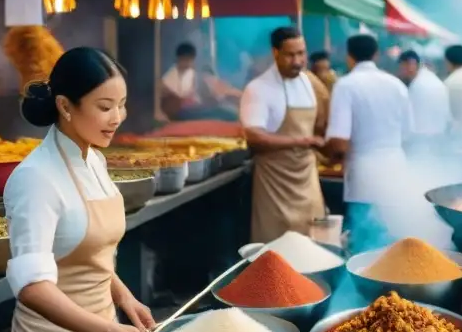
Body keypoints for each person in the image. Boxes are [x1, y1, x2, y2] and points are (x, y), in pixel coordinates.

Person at [0, 48, 169, 332]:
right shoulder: (35, 179)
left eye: (122, 105)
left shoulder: (95, 159)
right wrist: (110, 331)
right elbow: (32, 286)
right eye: (105, 107)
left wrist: (125, 299)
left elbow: (88, 253)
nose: (118, 118)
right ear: (65, 106)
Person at [326, 35, 413, 250]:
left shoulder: (346, 85)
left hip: (364, 178)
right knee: (391, 244)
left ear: (349, 57)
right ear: (376, 55)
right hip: (395, 172)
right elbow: (408, 133)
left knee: (363, 248)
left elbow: (339, 141)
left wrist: (323, 151)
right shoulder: (397, 85)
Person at [240, 27, 325, 243]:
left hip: (308, 181)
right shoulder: (258, 89)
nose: (297, 61)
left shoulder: (309, 82)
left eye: (301, 53)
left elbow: (324, 115)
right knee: (275, 257)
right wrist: (302, 141)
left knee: (316, 250)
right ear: (275, 53)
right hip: (275, 188)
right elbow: (254, 136)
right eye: (290, 55)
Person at [160, 42, 239, 121]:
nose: (188, 63)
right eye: (186, 59)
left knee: (226, 110)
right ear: (180, 58)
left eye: (190, 60)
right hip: (183, 111)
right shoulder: (170, 76)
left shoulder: (193, 73)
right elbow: (175, 98)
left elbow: (209, 93)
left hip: (195, 108)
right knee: (222, 112)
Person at [398, 49, 450, 138]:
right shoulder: (431, 79)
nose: (400, 71)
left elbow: (411, 120)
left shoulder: (418, 85)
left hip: (423, 139)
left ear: (410, 64)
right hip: (440, 135)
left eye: (401, 67)